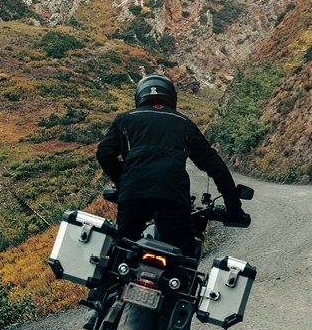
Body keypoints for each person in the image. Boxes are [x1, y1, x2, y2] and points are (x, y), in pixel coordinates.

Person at [96, 73, 246, 258]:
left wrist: (123, 182)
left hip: (133, 196)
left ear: (140, 96)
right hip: (172, 197)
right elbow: (216, 166)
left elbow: (104, 154)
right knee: (183, 260)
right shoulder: (184, 123)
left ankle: (107, 287)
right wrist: (234, 209)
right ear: (171, 97)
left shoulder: (125, 120)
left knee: (120, 256)